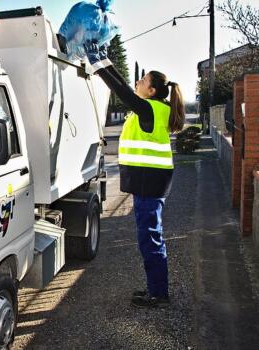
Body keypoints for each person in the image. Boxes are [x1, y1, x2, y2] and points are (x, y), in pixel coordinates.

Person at [89, 49, 185, 308]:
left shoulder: (148, 109)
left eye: (143, 81)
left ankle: (159, 294)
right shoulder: (153, 108)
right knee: (151, 236)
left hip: (150, 183)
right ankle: (156, 289)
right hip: (151, 181)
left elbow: (122, 92)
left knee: (150, 237)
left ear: (152, 90)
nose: (138, 83)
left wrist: (98, 66)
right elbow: (125, 89)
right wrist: (104, 60)